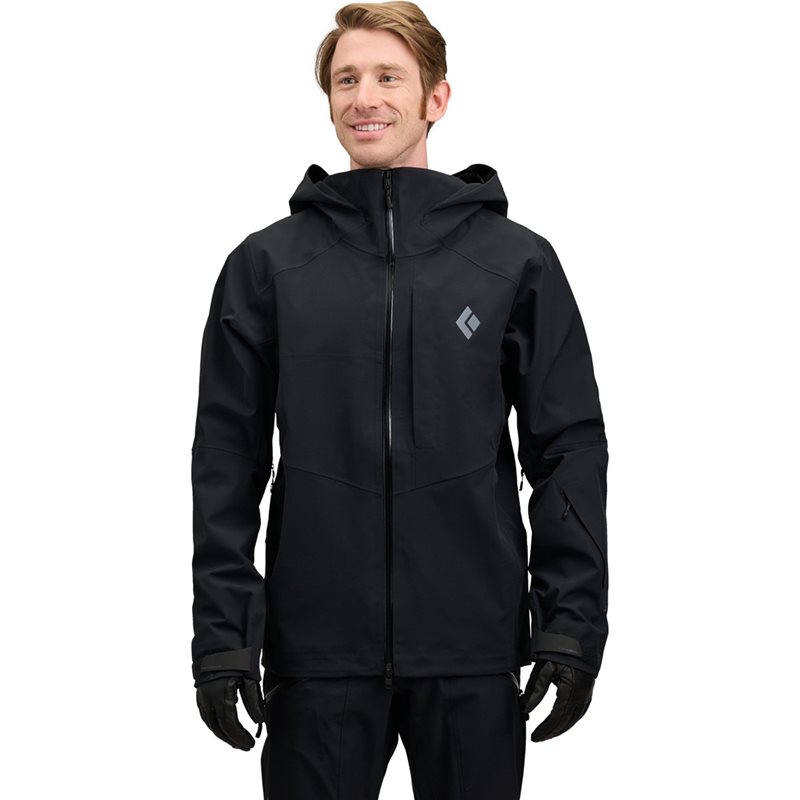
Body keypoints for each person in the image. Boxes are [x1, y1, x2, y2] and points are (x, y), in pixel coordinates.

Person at [190, 2, 609, 797]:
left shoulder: (513, 262)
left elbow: (568, 449)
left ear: (435, 98)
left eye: (389, 77)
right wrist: (223, 637)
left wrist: (571, 625)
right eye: (346, 79)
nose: (365, 98)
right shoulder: (268, 266)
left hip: (473, 649)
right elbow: (225, 463)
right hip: (317, 657)